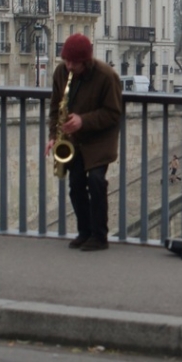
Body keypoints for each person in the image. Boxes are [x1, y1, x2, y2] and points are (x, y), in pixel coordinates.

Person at [47, 34, 123, 251]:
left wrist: (83, 120)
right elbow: (55, 108)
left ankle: (100, 236)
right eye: (66, 61)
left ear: (86, 61)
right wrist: (53, 136)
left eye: (74, 63)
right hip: (75, 138)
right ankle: (84, 231)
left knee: (97, 182)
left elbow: (113, 113)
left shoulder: (106, 76)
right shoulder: (61, 73)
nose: (69, 66)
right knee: (76, 184)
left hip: (101, 138)